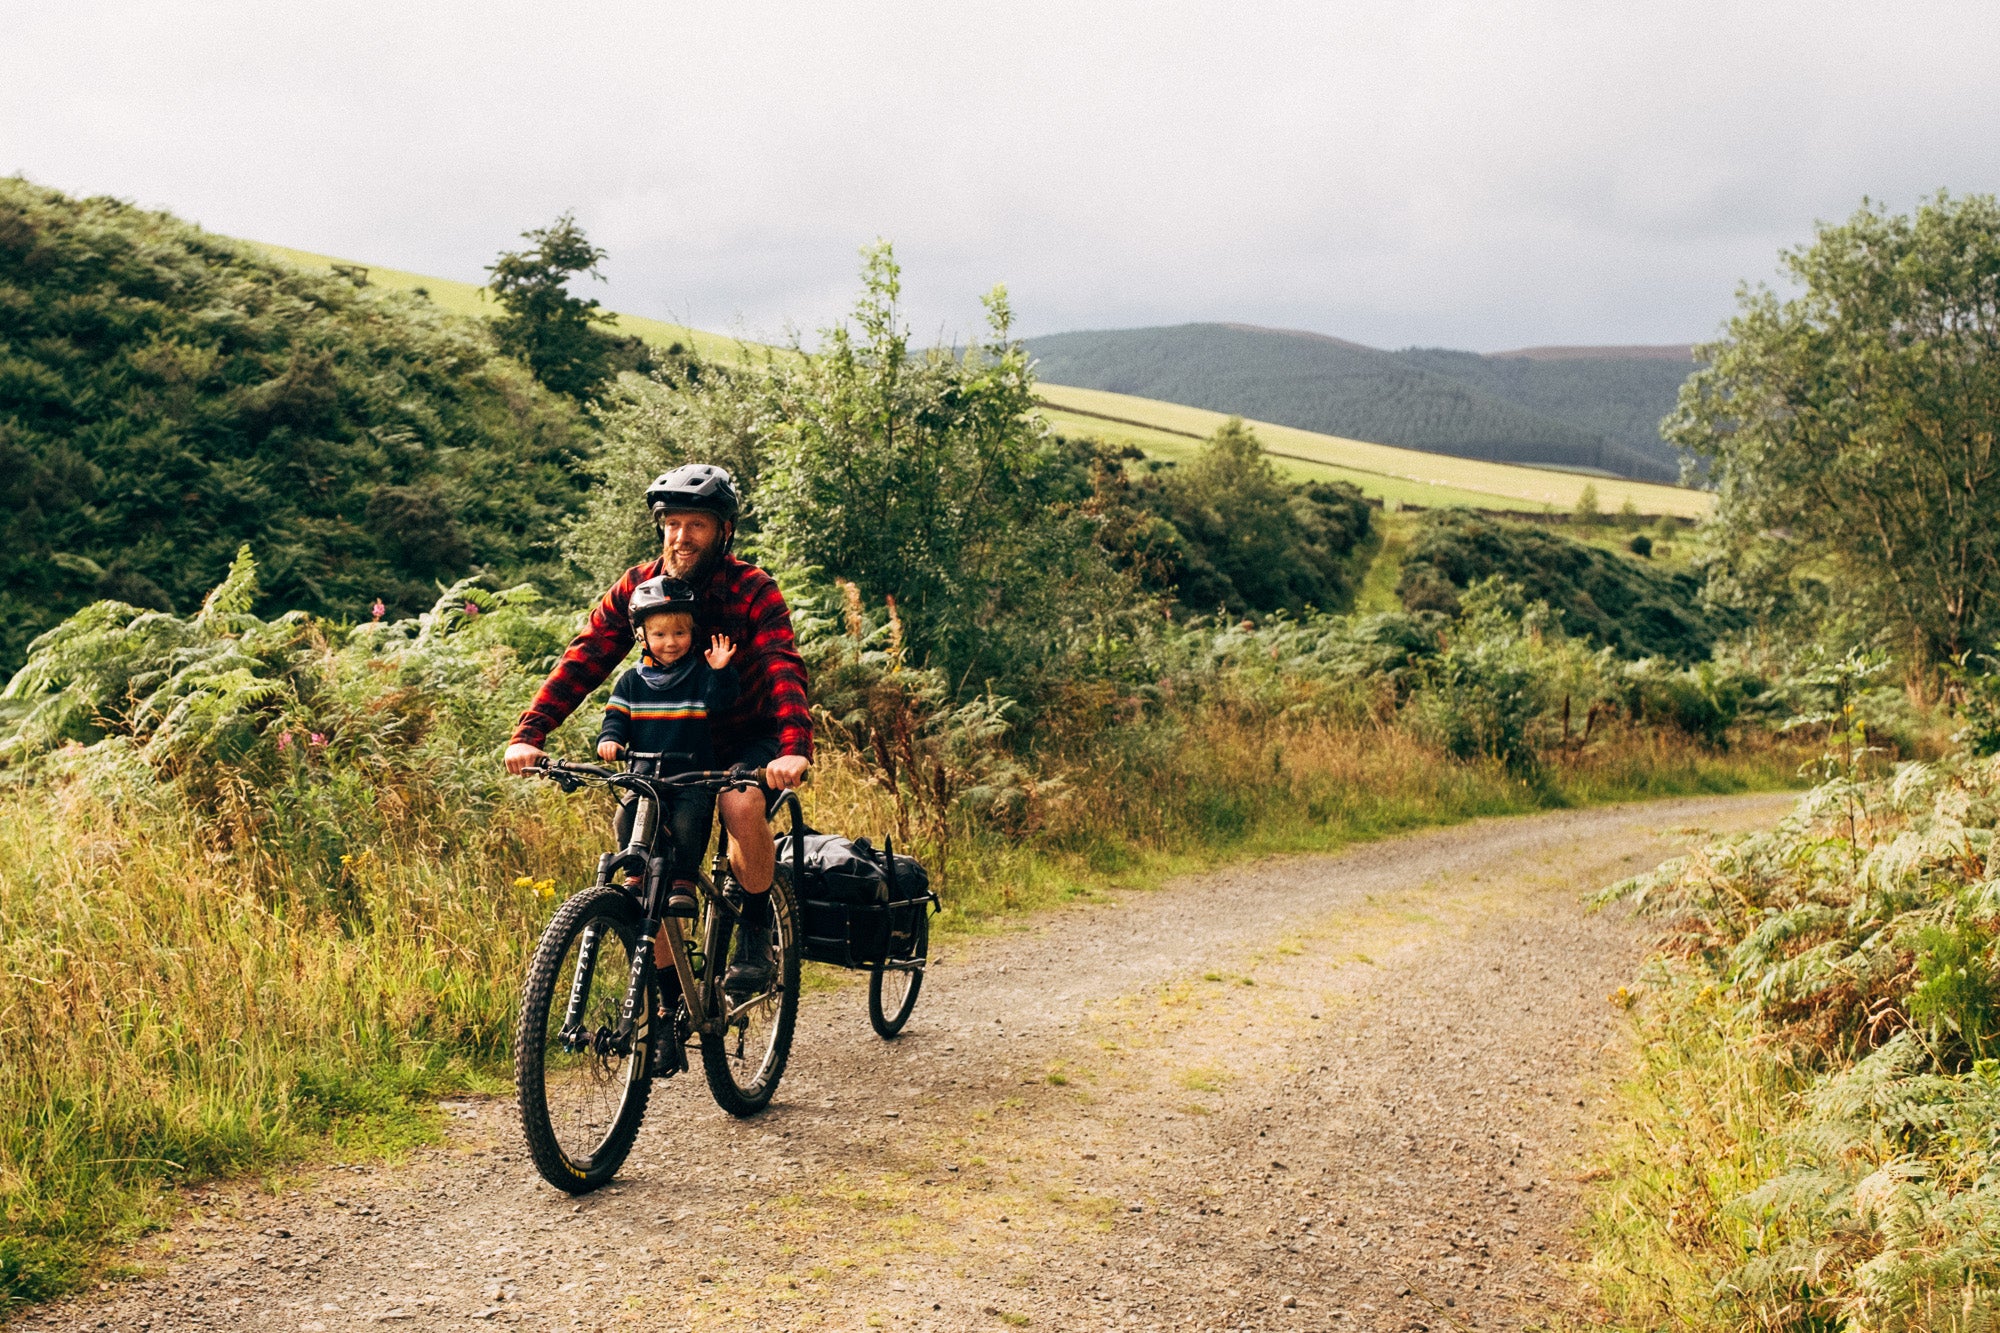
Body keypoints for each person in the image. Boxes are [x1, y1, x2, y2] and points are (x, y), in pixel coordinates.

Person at [505, 463, 812, 1002]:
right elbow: (586, 657)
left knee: (741, 808)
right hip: (667, 745)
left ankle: (757, 930)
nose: (681, 537)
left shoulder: (752, 589)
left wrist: (792, 750)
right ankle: (674, 999)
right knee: (655, 874)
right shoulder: (638, 587)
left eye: (696, 525)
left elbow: (783, 665)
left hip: (745, 739)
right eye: (672, 524)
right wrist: (531, 733)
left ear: (724, 530)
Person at [596, 575, 738, 919]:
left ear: (693, 633)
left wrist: (719, 671)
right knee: (625, 816)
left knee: (690, 819)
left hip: (690, 775)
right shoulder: (632, 680)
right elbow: (616, 718)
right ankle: (637, 876)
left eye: (680, 633)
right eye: (659, 635)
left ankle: (683, 883)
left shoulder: (700, 674)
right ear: (642, 636)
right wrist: (610, 740)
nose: (670, 643)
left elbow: (721, 704)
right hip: (643, 775)